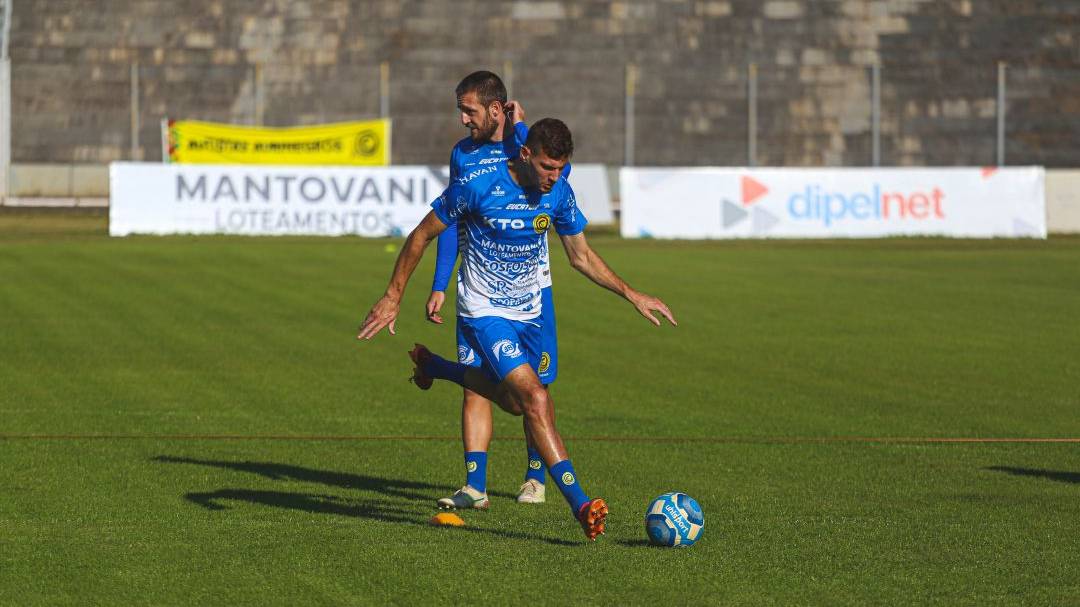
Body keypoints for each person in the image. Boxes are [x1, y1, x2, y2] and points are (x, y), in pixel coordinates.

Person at [358, 118, 677, 541]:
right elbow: (422, 234)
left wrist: (631, 293)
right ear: (525, 154)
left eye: (561, 168)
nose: (554, 176)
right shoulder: (477, 185)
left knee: (513, 403)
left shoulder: (559, 192)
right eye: (547, 167)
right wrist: (393, 295)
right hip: (484, 311)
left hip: (531, 310)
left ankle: (435, 367)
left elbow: (580, 256)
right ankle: (581, 504)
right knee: (535, 397)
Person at [425, 71, 569, 511]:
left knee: (536, 387)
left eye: (469, 110)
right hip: (479, 286)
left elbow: (560, 174)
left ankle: (534, 476)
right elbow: (450, 222)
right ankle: (475, 486)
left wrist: (522, 127)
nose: (463, 119)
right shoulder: (462, 155)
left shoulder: (523, 148)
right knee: (479, 385)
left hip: (532, 289)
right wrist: (440, 284)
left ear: (495, 109)